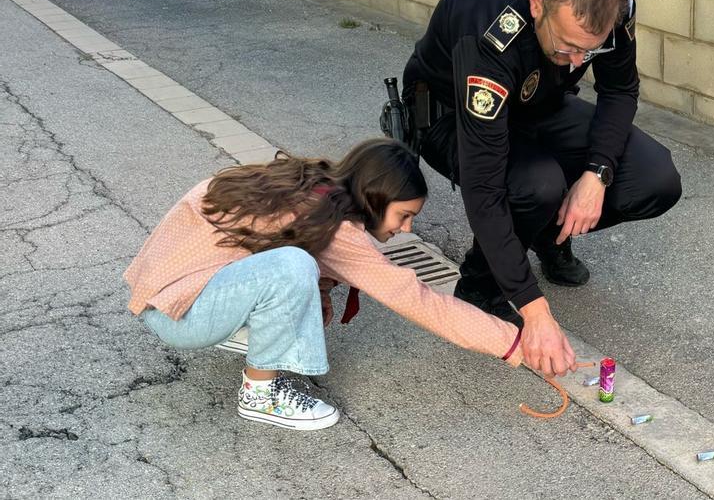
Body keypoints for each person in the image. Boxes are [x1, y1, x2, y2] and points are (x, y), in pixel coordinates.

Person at [399, 0, 682, 379]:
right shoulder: (489, 36)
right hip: (449, 112)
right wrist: (535, 311)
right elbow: (485, 188)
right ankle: (480, 285)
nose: (577, 63)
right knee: (537, 184)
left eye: (589, 51)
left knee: (654, 178)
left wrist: (597, 172)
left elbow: (620, 90)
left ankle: (544, 235)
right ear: (537, 3)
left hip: (538, 99)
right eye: (568, 46)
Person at [122, 139, 523, 431]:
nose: (407, 229)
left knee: (295, 268)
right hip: (181, 314)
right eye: (403, 216)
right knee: (292, 266)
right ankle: (260, 395)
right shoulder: (336, 228)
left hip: (169, 293)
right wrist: (513, 343)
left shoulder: (316, 186)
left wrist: (319, 293)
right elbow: (418, 301)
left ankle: (248, 333)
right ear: (373, 198)